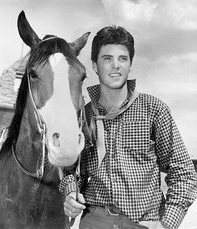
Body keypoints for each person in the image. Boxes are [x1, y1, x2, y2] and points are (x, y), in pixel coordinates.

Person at [59, 26, 197, 229]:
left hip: (143, 223)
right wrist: (71, 192)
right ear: (95, 65)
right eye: (107, 58)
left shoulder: (154, 110)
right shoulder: (83, 115)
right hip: (94, 221)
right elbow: (70, 169)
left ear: (130, 64)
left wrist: (167, 224)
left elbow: (184, 173)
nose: (115, 65)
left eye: (122, 58)